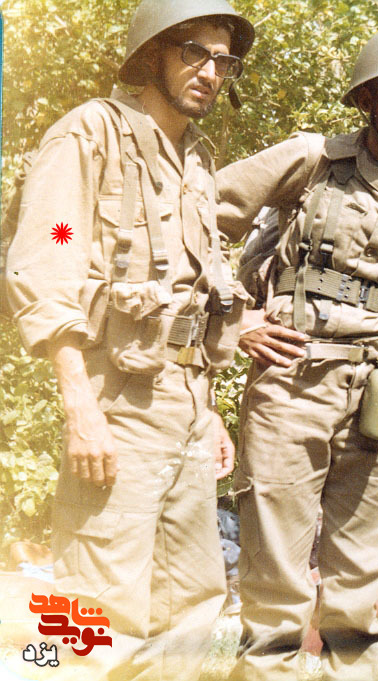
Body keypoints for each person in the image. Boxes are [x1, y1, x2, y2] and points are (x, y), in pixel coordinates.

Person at [2, 1, 255, 678]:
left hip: (184, 404)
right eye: (194, 53)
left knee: (192, 601)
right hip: (114, 401)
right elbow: (49, 258)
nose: (211, 72)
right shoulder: (89, 135)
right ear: (154, 54)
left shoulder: (197, 159)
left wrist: (208, 411)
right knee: (95, 612)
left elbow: (193, 295)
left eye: (223, 60)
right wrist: (79, 407)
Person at [214, 24, 378, 681]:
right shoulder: (311, 161)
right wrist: (236, 319)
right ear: (366, 101)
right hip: (292, 382)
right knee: (275, 575)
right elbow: (199, 216)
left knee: (363, 579)